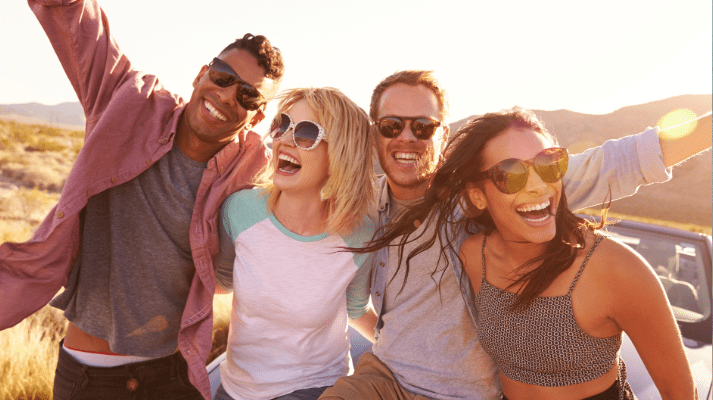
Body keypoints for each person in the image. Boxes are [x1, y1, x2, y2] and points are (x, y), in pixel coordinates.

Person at [319, 71, 711, 400]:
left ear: (441, 137)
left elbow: (623, 160)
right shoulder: (361, 202)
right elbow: (296, 201)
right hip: (383, 374)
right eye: (392, 126)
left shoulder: (494, 188)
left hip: (463, 391)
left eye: (423, 127)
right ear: (375, 135)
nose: (407, 137)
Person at [0, 0, 283, 399]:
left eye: (249, 96)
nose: (226, 96)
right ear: (201, 74)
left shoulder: (253, 170)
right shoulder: (127, 102)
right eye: (222, 77)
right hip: (90, 378)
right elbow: (75, 20)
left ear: (256, 117)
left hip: (174, 376)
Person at [211, 87, 378, 400]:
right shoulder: (240, 211)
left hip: (316, 388)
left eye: (306, 133)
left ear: (340, 155)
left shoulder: (359, 237)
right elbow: (219, 283)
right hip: (235, 390)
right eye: (283, 124)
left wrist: (410, 358)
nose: (284, 139)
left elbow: (355, 310)